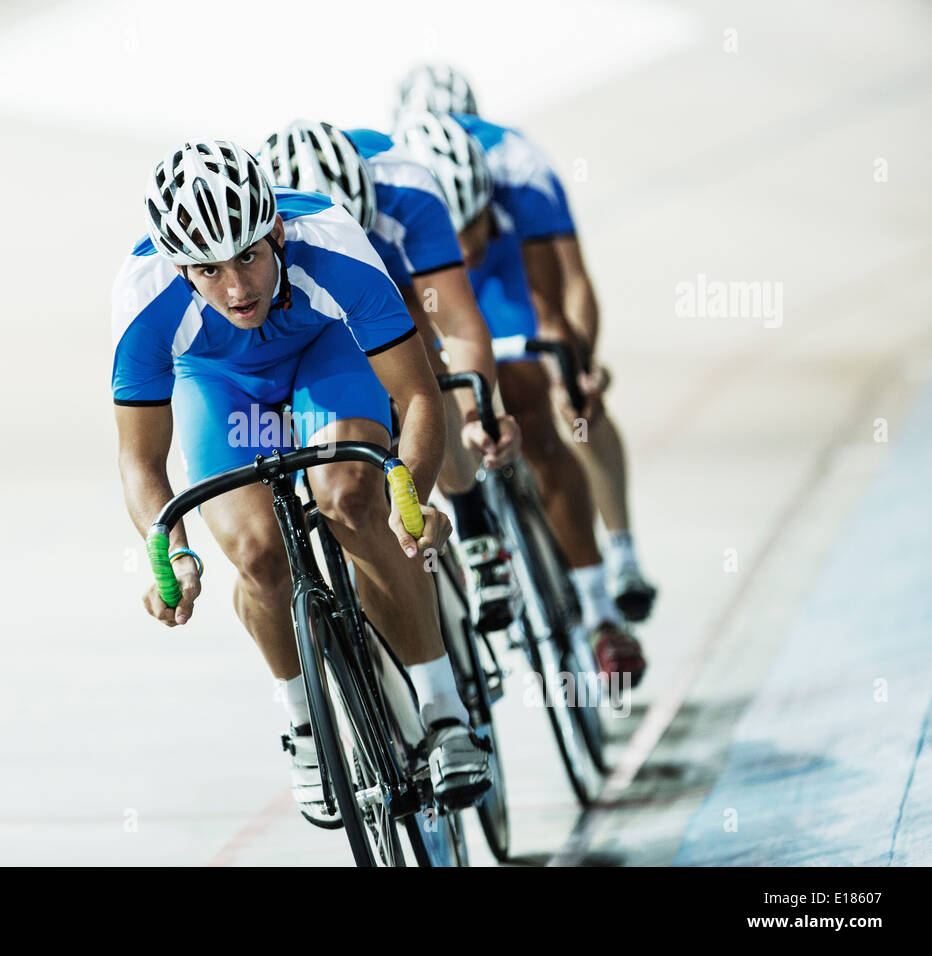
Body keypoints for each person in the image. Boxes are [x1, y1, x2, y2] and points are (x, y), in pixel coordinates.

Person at [112, 140, 492, 824]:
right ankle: (306, 728)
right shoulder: (142, 298)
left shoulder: (334, 243)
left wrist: (415, 500)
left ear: (278, 230)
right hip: (220, 386)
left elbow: (422, 397)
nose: (237, 288)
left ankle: (444, 713)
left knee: (351, 495)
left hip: (326, 351)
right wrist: (169, 553)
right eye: (209, 269)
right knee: (258, 554)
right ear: (177, 267)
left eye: (251, 256)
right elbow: (141, 464)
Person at [397, 64, 659, 622]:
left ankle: (617, 562)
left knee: (560, 398)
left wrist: (577, 364)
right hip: (430, 277)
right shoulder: (397, 193)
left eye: (472, 223)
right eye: (453, 230)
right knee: (436, 384)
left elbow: (568, 286)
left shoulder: (519, 169)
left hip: (505, 268)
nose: (464, 242)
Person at [258, 119, 521, 633]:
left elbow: (461, 322)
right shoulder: (261, 222)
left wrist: (477, 412)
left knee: (417, 347)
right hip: (312, 297)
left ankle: (473, 519)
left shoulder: (408, 192)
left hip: (398, 275)